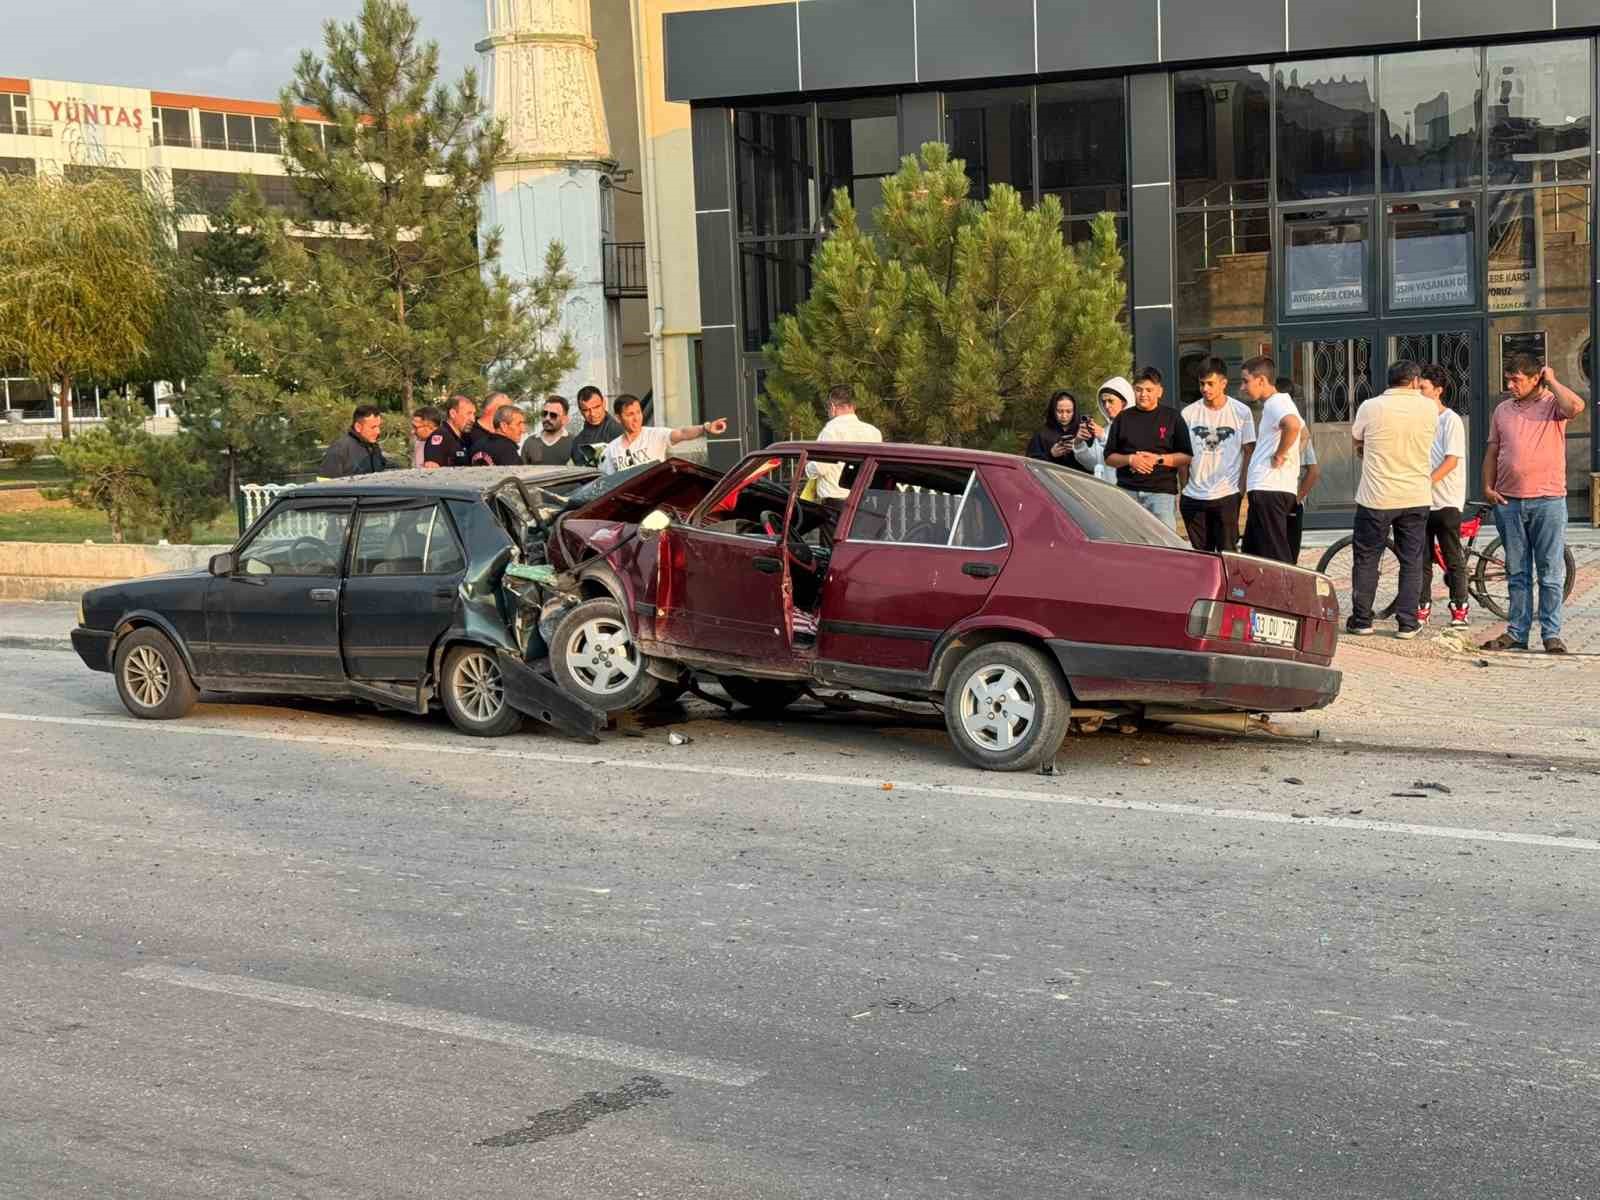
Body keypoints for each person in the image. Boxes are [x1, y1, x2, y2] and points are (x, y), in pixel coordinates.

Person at [1480, 353, 1586, 654]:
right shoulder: (1502, 410)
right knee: (1517, 572)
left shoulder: (1553, 404)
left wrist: (1552, 379)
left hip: (1548, 501)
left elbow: (1576, 406)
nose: (1511, 385)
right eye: (1508, 380)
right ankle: (1517, 633)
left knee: (1550, 573)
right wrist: (1487, 486)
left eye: (1517, 380)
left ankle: (1551, 634)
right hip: (1509, 503)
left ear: (1535, 378)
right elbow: (1493, 450)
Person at [1347, 359, 1436, 638]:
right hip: (1415, 495)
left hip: (1377, 496)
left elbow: (1357, 439)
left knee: (1367, 558)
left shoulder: (1370, 407)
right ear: (1413, 381)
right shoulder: (1428, 408)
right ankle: (1408, 623)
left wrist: (1367, 451)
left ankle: (1362, 620)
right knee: (1412, 560)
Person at [1178, 357, 1255, 553]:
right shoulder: (1188, 413)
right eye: (1202, 383)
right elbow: (1183, 455)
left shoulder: (1242, 412)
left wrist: (1241, 489)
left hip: (1226, 495)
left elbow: (1248, 452)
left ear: (1223, 383)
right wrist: (1185, 487)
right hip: (1194, 496)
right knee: (1201, 556)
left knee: (1227, 554)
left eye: (1210, 383)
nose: (1205, 388)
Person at [1416, 364, 1470, 628]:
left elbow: (1451, 461)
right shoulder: (1418, 420)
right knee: (1421, 558)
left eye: (1423, 388)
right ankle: (1422, 607)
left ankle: (1459, 607)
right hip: (1420, 501)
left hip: (1446, 500)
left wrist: (1427, 483)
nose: (1418, 393)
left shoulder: (1451, 420)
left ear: (1438, 390)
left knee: (1452, 557)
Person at [1103, 367, 1192, 525]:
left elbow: (1186, 456)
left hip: (1161, 494)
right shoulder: (1123, 418)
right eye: (1139, 390)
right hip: (1128, 491)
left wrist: (1158, 459)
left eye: (1149, 390)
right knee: (1130, 542)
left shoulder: (1172, 417)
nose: (1143, 394)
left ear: (1160, 391)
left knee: (1164, 544)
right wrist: (1130, 459)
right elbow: (1109, 457)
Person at [1240, 356, 1304, 564]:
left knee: (1275, 555)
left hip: (1270, 488)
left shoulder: (1276, 402)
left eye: (1245, 381)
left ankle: (1289, 595)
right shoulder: (1279, 403)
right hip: (1269, 488)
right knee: (1253, 552)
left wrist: (1280, 454)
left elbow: (1293, 426)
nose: (1242, 387)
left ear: (1261, 380)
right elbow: (1304, 435)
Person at [597, 394, 728, 475]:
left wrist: (706, 428)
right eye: (630, 414)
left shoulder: (655, 435)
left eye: (638, 412)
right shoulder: (612, 449)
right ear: (619, 418)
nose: (636, 418)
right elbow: (609, 482)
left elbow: (682, 433)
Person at [808, 385, 882, 499]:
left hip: (835, 504)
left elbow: (820, 467)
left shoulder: (831, 430)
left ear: (832, 407)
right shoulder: (874, 432)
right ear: (854, 406)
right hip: (864, 502)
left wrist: (807, 467)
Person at [1276, 378, 1321, 564]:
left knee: (1289, 556)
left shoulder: (1301, 433)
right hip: (1269, 500)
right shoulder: (1266, 428)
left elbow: (1313, 471)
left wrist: (1297, 498)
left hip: (1289, 501)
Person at [1073, 376, 1131, 483]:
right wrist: (1079, 443)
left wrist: (1103, 437)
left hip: (1127, 492)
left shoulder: (1136, 426)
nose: (1106, 406)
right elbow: (1092, 463)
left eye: (1110, 401)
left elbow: (1129, 458)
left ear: (1124, 402)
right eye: (1103, 402)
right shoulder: (1106, 429)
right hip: (1105, 493)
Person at [1025, 391, 1094, 474]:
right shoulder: (1041, 435)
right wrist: (1051, 455)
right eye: (1060, 411)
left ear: (1075, 411)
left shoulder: (1084, 432)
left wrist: (1079, 446)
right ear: (1053, 411)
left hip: (1079, 483)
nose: (1064, 416)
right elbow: (1030, 465)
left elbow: (1095, 463)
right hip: (1051, 483)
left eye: (1068, 411)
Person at [319, 405, 387, 477]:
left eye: (378, 426)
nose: (378, 431)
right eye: (373, 427)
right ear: (358, 427)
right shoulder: (340, 449)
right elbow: (325, 484)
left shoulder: (374, 447)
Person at [569, 384, 624, 467]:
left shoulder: (621, 431)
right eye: (586, 410)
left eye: (596, 407)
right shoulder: (577, 442)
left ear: (604, 403)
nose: (592, 414)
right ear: (580, 411)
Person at [423, 394, 475, 469]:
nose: (473, 419)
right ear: (453, 413)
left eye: (473, 414)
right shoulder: (441, 436)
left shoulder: (466, 438)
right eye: (468, 414)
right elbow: (431, 469)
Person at [522, 395, 576, 465]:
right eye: (544, 413)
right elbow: (521, 471)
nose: (547, 418)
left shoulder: (574, 442)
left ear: (564, 419)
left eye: (553, 415)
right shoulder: (530, 442)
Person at [464, 393, 510, 459]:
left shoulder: (505, 435)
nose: (509, 413)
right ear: (488, 408)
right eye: (505, 408)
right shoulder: (468, 431)